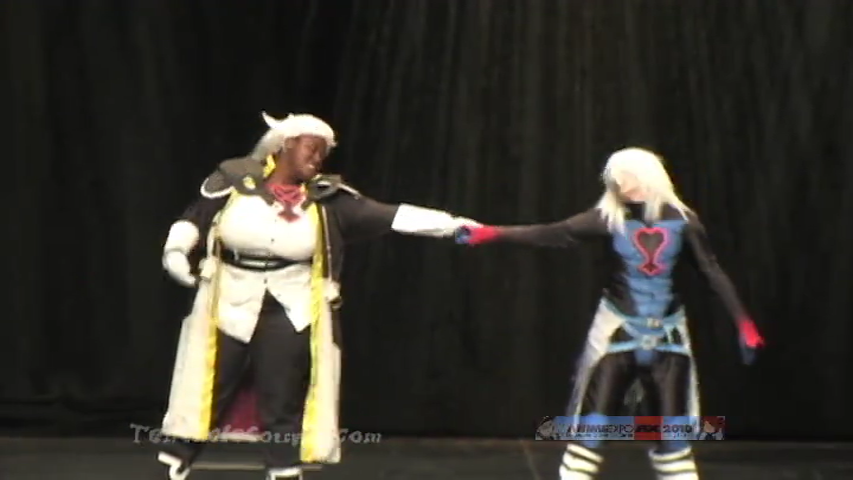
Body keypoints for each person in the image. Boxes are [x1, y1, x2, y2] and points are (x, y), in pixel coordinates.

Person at [157, 111, 480, 480]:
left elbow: (394, 216)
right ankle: (178, 457)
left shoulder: (327, 198)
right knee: (211, 380)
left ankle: (283, 467)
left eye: (323, 152)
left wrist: (452, 225)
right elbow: (195, 217)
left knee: (282, 390)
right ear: (285, 144)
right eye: (311, 148)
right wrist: (175, 252)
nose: (317, 158)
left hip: (291, 304)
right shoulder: (235, 180)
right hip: (228, 298)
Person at [454, 148, 764, 480]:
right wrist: (490, 233)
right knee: (592, 428)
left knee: (672, 436)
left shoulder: (682, 221)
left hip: (668, 339)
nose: (620, 184)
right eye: (616, 178)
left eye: (626, 176)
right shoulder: (609, 218)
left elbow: (711, 271)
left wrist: (744, 324)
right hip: (618, 335)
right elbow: (551, 232)